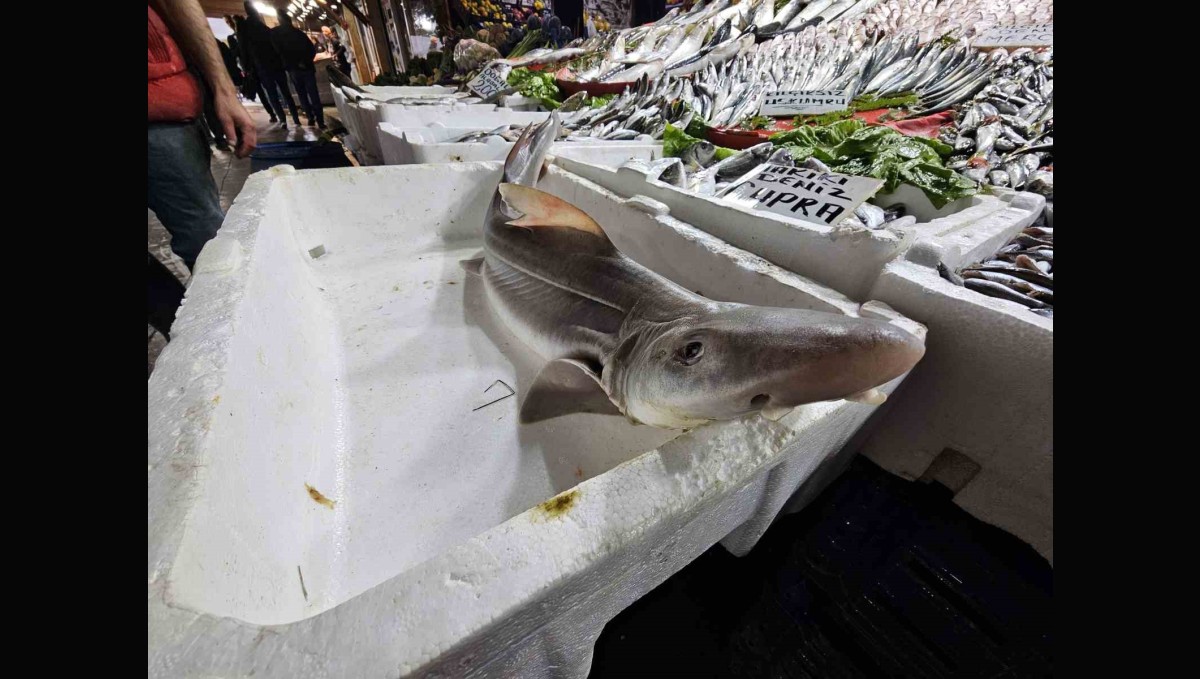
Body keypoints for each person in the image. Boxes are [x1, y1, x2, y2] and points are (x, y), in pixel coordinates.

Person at [148, 0, 255, 335]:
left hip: (158, 111)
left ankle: (246, 334)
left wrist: (224, 89)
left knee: (209, 242)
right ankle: (194, 342)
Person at [240, 1, 301, 129]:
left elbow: (244, 49)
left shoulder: (245, 28)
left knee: (272, 95)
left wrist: (246, 67)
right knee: (286, 93)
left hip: (261, 66)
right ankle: (295, 119)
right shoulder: (263, 27)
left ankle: (283, 120)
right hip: (276, 64)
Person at [271, 12, 325, 128]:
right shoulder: (299, 34)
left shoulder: (277, 35)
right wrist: (305, 62)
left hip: (293, 69)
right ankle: (320, 121)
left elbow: (279, 53)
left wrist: (291, 64)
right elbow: (311, 49)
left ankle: (310, 117)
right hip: (306, 68)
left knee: (302, 95)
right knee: (313, 94)